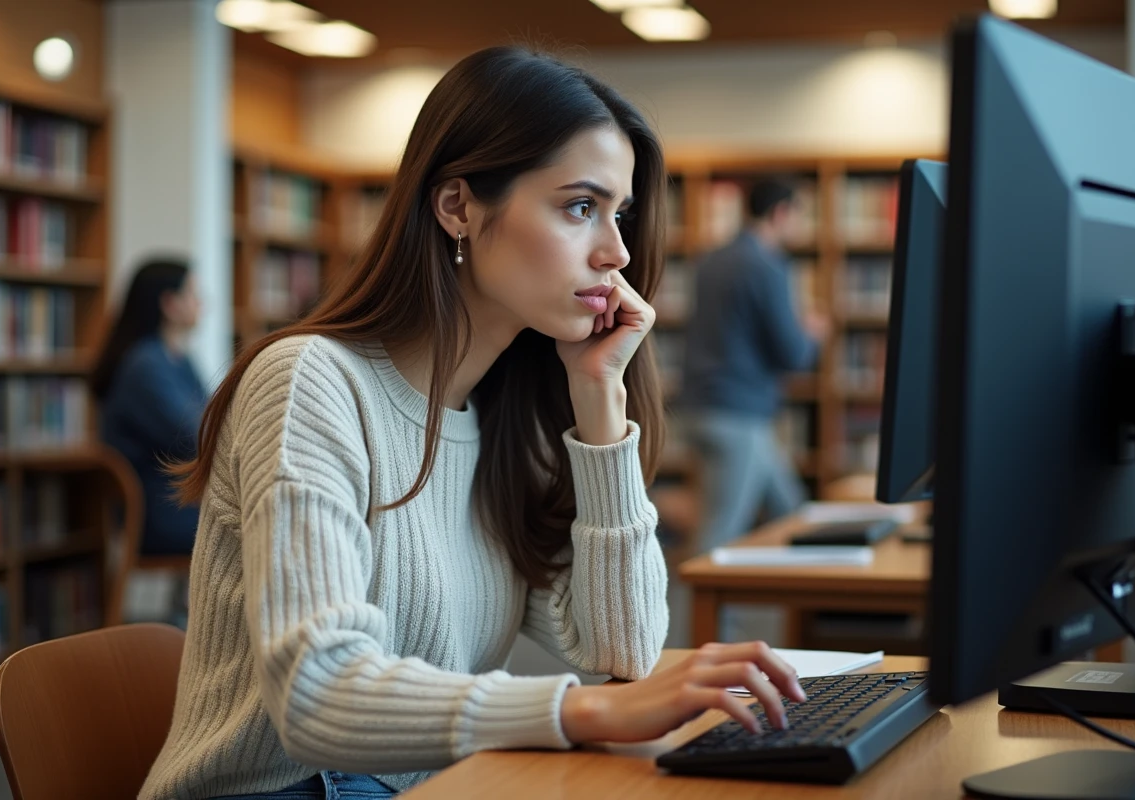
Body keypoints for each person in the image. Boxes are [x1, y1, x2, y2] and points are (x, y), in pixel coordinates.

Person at [139, 47, 806, 800]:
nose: (616, 251)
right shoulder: (312, 383)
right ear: (458, 206)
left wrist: (600, 404)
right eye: (580, 207)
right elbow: (316, 695)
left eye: (619, 214)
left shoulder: (508, 416)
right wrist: (584, 711)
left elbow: (622, 651)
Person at [679, 178, 830, 556]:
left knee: (790, 511)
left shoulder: (711, 260)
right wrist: (812, 333)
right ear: (781, 213)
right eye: (798, 215)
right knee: (720, 532)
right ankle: (696, 616)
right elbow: (792, 354)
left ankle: (801, 610)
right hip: (738, 415)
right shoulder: (768, 265)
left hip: (702, 407)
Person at [91, 258, 206, 557]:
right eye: (193, 294)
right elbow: (198, 437)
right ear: (169, 303)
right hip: (159, 512)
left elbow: (215, 421)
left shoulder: (178, 359)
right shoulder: (146, 365)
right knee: (255, 520)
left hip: (181, 500)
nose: (201, 302)